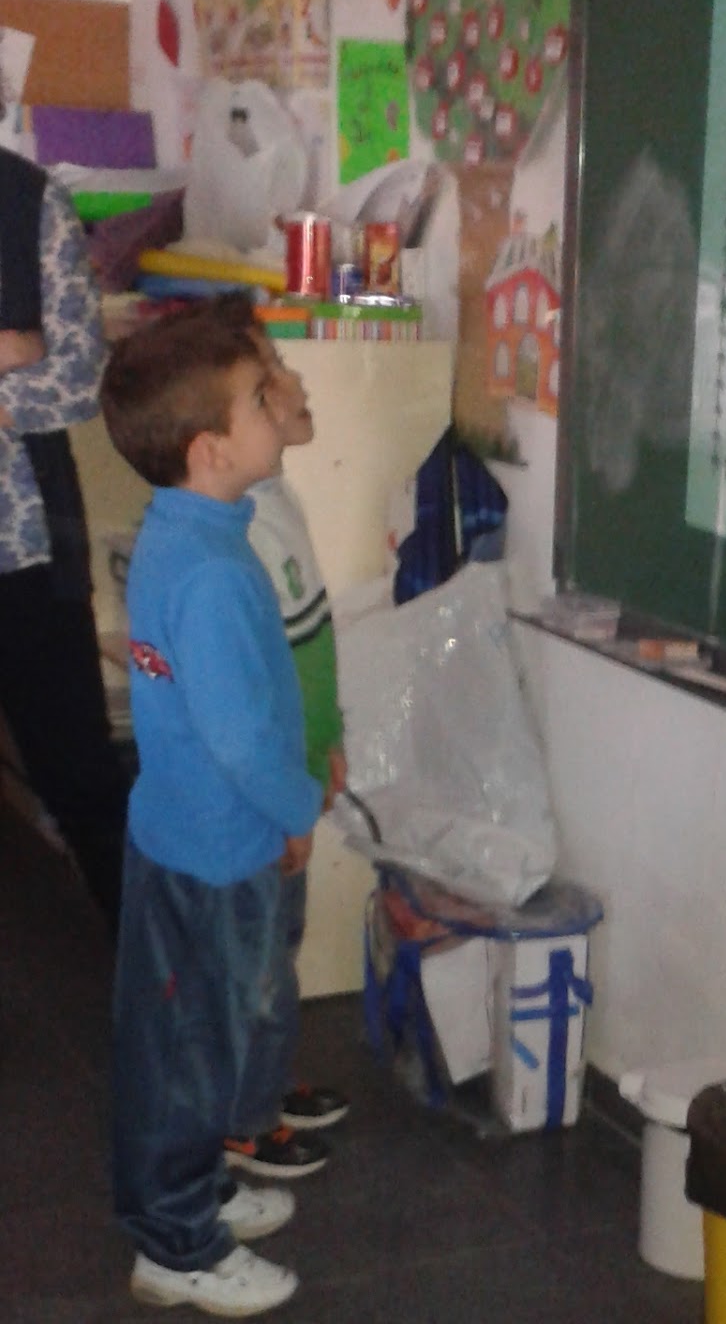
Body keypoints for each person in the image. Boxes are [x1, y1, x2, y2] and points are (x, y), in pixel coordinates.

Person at [100, 301, 324, 1316]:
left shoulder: (183, 534)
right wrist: (297, 808)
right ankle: (177, 1244)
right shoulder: (213, 574)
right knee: (191, 1057)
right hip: (218, 849)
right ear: (211, 449)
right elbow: (239, 739)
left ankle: (193, 1193)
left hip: (180, 836)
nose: (279, 404)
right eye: (259, 399)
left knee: (187, 1042)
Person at [218, 296, 351, 1180]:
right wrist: (285, 805)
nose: (294, 381)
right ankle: (241, 1119)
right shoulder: (242, 528)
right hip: (264, 800)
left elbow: (311, 652)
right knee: (255, 965)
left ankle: (262, 1083)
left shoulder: (273, 499)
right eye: (271, 375)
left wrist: (327, 741)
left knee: (278, 949)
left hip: (293, 778)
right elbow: (255, 696)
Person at [0, 146, 128, 931]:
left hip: (26, 547)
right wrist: (13, 349)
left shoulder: (26, 199)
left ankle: (149, 971)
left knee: (80, 774)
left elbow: (79, 376)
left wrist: (37, 355)